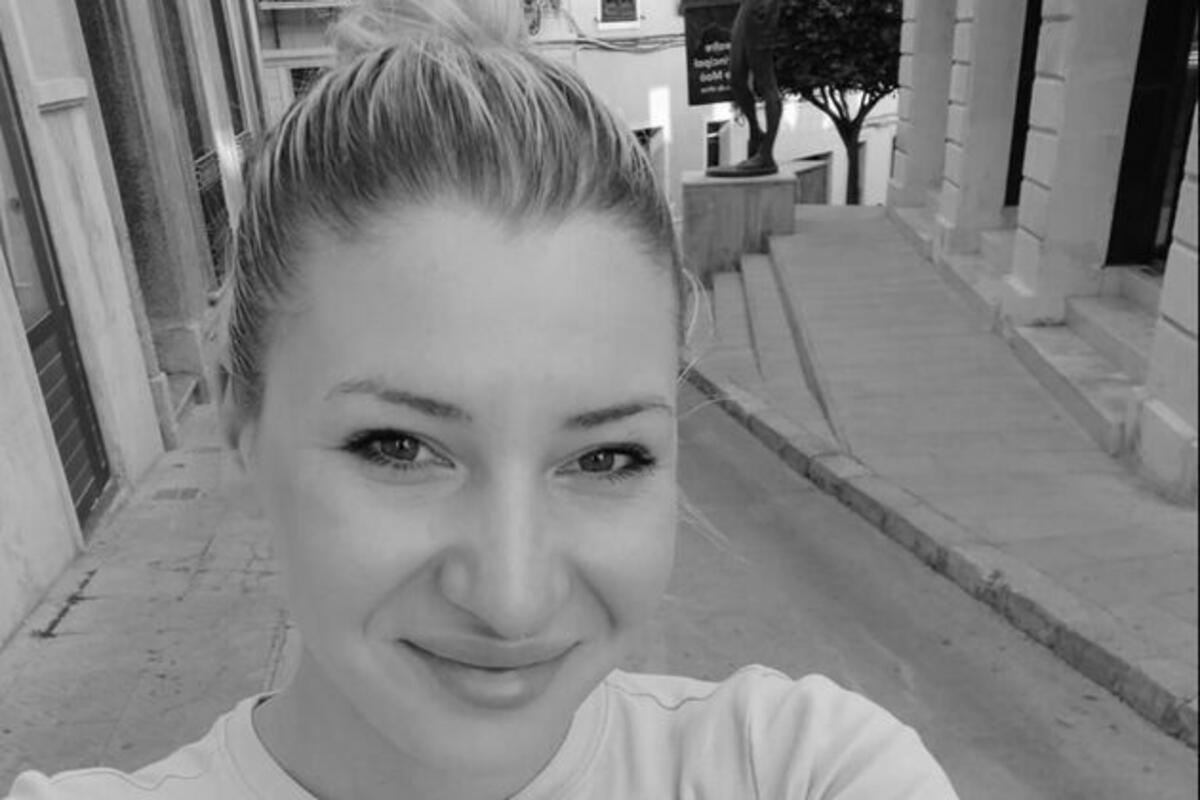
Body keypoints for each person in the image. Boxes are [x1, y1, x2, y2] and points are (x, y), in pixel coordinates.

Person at [6, 1, 959, 797]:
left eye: (605, 458)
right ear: (236, 415)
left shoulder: (798, 770)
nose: (511, 600)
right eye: (398, 447)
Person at [708, 0, 784, 177]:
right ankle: (756, 134)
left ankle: (766, 154)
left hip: (762, 8)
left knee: (766, 81)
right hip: (747, 7)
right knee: (736, 78)